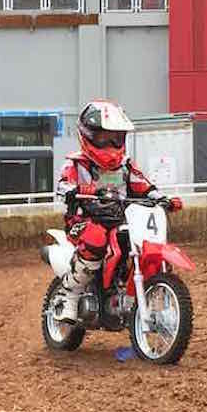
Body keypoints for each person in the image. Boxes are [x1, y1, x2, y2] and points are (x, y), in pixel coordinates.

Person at [54, 99, 175, 324]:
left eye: (116, 138)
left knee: (140, 242)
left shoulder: (126, 166)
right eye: (104, 138)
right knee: (96, 240)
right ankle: (68, 296)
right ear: (88, 135)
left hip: (120, 218)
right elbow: (62, 184)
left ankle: (130, 294)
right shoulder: (76, 164)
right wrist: (74, 189)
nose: (111, 143)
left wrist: (160, 197)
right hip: (84, 219)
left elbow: (143, 185)